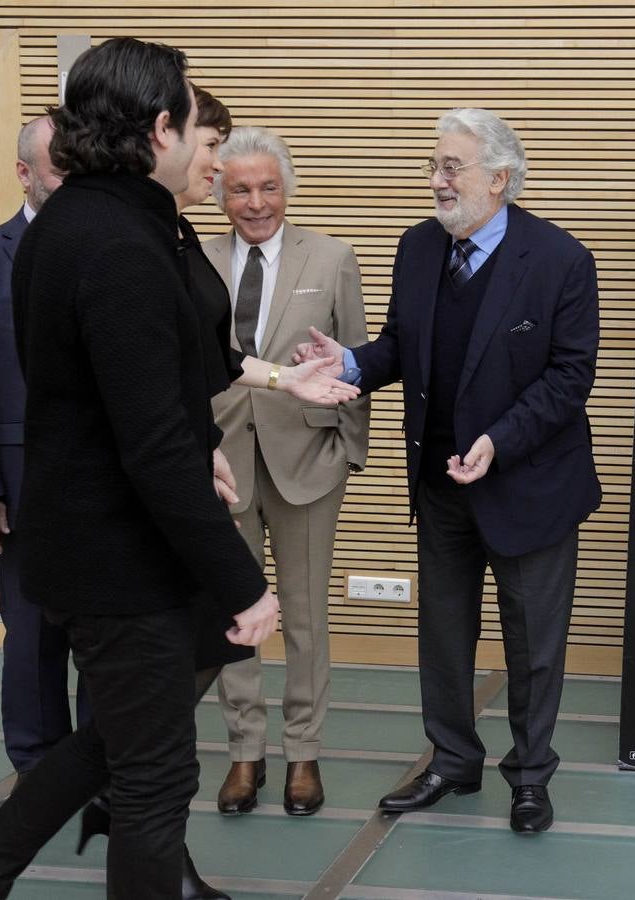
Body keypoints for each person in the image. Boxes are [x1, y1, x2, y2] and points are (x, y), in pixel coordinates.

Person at [0, 38, 281, 899]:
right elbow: (151, 444)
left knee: (113, 742)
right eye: (193, 123)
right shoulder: (118, 244)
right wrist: (244, 581)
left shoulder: (92, 222)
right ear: (159, 128)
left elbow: (149, 376)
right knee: (154, 783)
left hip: (105, 546)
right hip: (122, 561)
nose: (203, 144)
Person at [297, 107, 600, 834]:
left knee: (533, 644)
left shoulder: (560, 258)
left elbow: (569, 377)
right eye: (433, 165)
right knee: (443, 633)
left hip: (528, 484)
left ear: (498, 179)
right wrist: (346, 363)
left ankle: (530, 776)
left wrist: (499, 439)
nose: (435, 181)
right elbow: (402, 346)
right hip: (439, 485)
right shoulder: (416, 249)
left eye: (450, 167)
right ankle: (452, 760)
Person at [205, 124, 370, 819]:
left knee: (304, 616)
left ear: (287, 189)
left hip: (308, 464)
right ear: (218, 192)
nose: (255, 201)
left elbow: (358, 359)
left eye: (268, 186)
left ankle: (303, 751)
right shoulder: (191, 260)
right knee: (233, 615)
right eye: (239, 188)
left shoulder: (331, 258)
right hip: (220, 466)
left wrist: (350, 453)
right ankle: (246, 750)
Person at [0, 115, 78, 781]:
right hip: (19, 482)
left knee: (101, 638)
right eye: (57, 167)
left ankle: (98, 765)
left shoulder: (103, 248)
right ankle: (39, 769)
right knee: (31, 636)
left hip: (100, 483)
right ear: (24, 173)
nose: (69, 180)